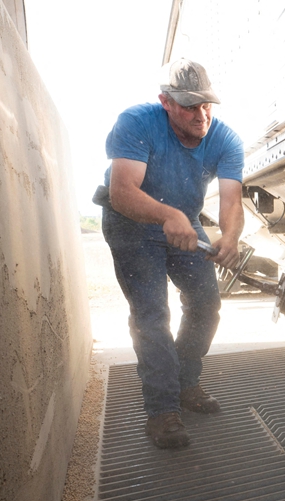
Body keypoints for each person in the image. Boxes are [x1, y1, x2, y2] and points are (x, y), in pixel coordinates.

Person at [100, 59, 244, 449]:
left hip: (183, 219)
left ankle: (184, 382)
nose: (201, 115)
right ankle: (162, 409)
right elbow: (123, 191)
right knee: (152, 313)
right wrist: (166, 215)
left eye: (206, 105)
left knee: (205, 302)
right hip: (131, 222)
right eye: (189, 106)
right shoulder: (136, 123)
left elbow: (232, 200)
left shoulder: (225, 139)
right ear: (165, 101)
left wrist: (229, 237)